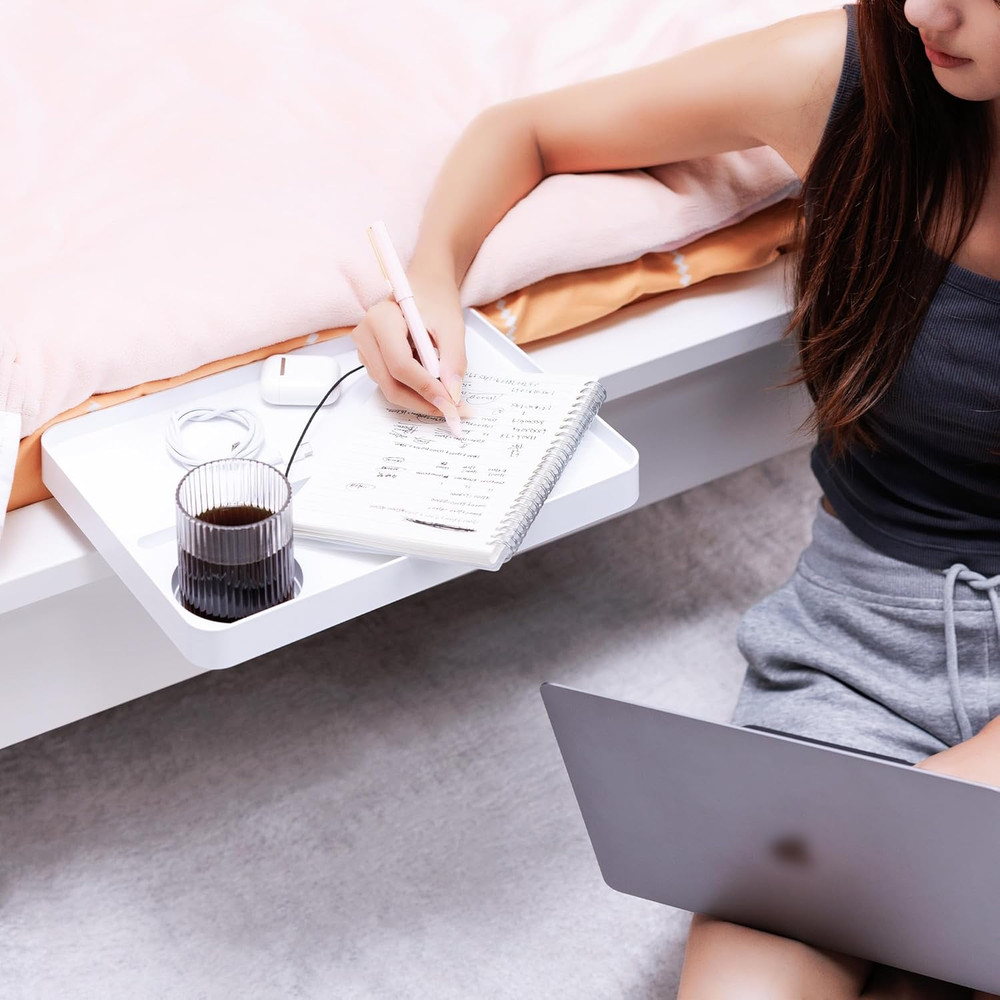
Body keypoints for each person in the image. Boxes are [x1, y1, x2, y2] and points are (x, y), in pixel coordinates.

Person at [351, 1, 1000, 996]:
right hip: (854, 647)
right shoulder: (849, 72)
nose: (924, 10)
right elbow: (525, 131)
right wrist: (431, 279)